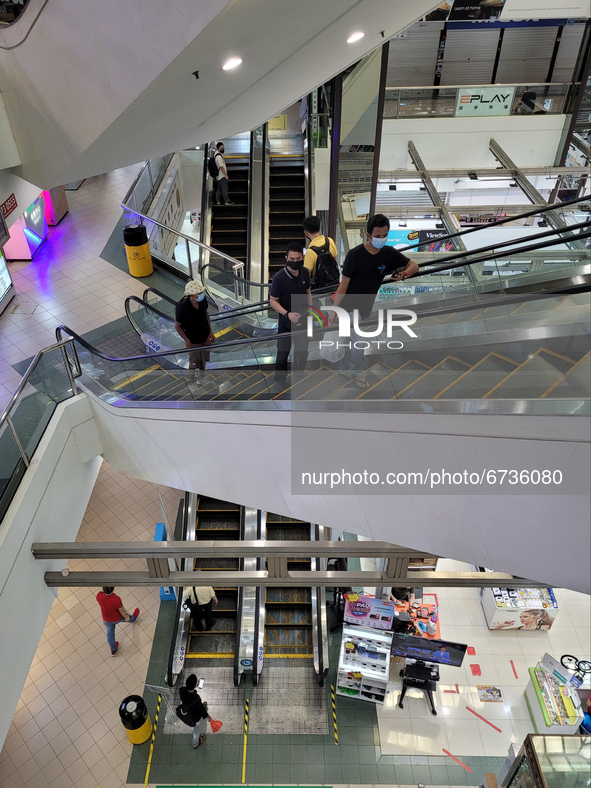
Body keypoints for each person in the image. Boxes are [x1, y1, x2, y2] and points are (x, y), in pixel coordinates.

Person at [328, 214, 419, 389]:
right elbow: (343, 285)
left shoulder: (389, 254)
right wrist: (334, 311)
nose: (381, 239)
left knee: (349, 339)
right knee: (359, 338)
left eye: (384, 235)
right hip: (348, 306)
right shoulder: (354, 255)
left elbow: (414, 265)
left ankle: (343, 369)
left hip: (364, 307)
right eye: (377, 236)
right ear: (369, 235)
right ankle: (359, 373)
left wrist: (403, 275)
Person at [269, 242, 313, 378]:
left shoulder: (305, 272)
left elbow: (308, 292)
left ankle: (299, 376)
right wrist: (287, 314)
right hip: (286, 322)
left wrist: (309, 310)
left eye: (298, 259)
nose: (295, 262)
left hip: (303, 319)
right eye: (292, 259)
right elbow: (273, 301)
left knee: (302, 351)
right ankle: (280, 380)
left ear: (302, 257)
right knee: (282, 353)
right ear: (286, 258)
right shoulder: (279, 278)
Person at [175, 279, 215, 390]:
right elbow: (177, 326)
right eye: (198, 293)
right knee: (193, 363)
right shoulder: (183, 307)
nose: (201, 295)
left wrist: (210, 332)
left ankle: (201, 378)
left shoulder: (203, 301)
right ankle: (191, 382)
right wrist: (186, 340)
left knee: (204, 360)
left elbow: (206, 315)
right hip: (193, 341)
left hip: (205, 337)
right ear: (192, 295)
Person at [96, 587, 139, 656]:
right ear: (113, 588)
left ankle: (113, 650)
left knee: (110, 635)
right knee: (128, 618)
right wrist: (126, 617)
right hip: (117, 617)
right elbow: (122, 610)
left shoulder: (99, 596)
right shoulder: (116, 599)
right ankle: (133, 619)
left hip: (106, 619)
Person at [302, 215, 338, 286]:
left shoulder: (310, 251)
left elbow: (307, 274)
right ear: (319, 228)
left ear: (306, 233)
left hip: (320, 288)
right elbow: (335, 260)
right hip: (333, 284)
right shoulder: (330, 241)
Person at [178, 674, 211, 749]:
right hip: (195, 718)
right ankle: (195, 743)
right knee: (196, 730)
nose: (198, 681)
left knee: (199, 706)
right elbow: (202, 711)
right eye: (197, 681)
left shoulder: (182, 690)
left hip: (188, 711)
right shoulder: (196, 698)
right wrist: (208, 717)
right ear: (194, 685)